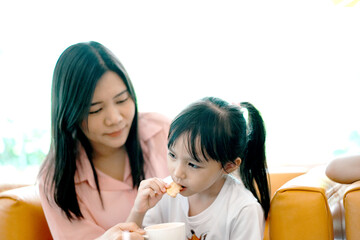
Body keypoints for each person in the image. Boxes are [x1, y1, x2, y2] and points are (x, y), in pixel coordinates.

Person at [37, 41, 170, 240]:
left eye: (122, 100)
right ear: (70, 114)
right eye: (95, 110)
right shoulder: (56, 181)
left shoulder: (161, 131)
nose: (115, 118)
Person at [127, 97, 271, 240]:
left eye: (193, 164)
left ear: (229, 165)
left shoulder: (244, 210)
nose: (177, 173)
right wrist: (138, 211)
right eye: (172, 155)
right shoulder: (163, 198)